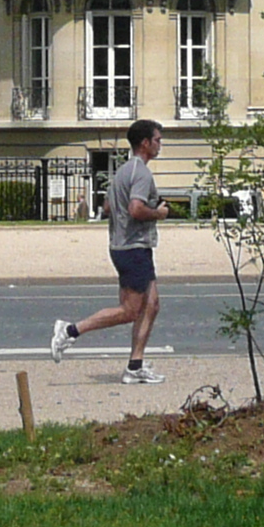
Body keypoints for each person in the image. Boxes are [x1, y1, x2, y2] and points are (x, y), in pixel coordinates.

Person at [49, 119, 167, 384]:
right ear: (145, 143)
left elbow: (106, 207)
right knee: (130, 311)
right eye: (158, 140)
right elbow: (136, 209)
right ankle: (69, 331)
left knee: (152, 305)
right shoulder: (141, 173)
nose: (161, 145)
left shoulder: (123, 171)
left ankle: (135, 367)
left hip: (127, 246)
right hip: (132, 248)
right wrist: (158, 213)